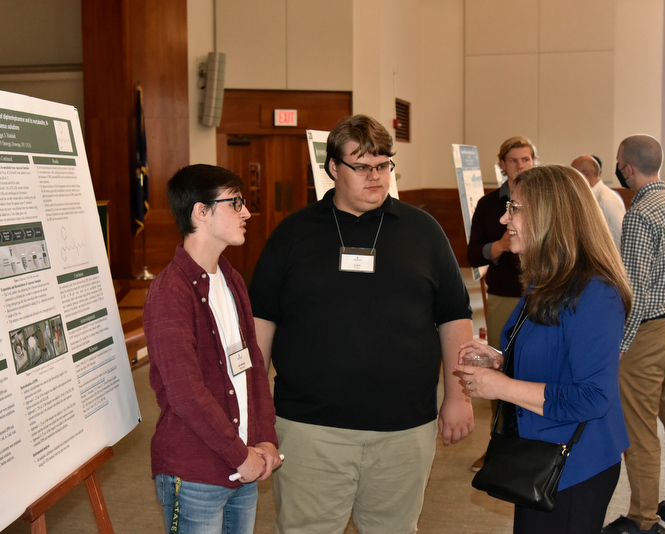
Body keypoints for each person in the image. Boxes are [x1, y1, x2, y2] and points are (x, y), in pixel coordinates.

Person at [249, 114, 474, 533]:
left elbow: (453, 316)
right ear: (333, 168)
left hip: (404, 427)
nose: (376, 176)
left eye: (384, 164)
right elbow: (261, 323)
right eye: (362, 165)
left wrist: (458, 397)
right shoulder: (293, 235)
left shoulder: (423, 231)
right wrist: (255, 410)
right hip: (310, 427)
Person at [457, 164, 632, 534]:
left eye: (515, 208)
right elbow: (556, 357)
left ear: (550, 215)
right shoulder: (546, 278)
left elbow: (593, 396)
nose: (505, 218)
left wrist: (501, 387)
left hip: (574, 462)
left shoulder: (595, 292)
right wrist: (502, 361)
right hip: (538, 450)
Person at [143, 164, 282, 534]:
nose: (246, 212)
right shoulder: (170, 292)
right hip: (196, 474)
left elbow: (252, 366)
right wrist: (241, 455)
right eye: (235, 203)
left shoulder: (232, 278)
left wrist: (264, 436)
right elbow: (185, 393)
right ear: (200, 212)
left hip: (242, 465)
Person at [602, 135, 665, 534]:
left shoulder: (640, 214)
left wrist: (620, 345)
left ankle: (642, 518)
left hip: (651, 331)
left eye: (618, 163)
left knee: (639, 429)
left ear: (626, 167)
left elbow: (636, 291)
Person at [466, 135, 536, 471]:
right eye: (513, 160)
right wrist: (500, 246)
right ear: (502, 165)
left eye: (525, 160)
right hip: (504, 298)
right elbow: (472, 253)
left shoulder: (544, 199)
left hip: (543, 298)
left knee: (536, 370)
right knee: (500, 370)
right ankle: (497, 444)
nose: (520, 166)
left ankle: (532, 444)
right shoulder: (489, 205)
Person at [571, 154, 626, 251]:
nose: (571, 179)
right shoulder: (589, 196)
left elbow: (620, 238)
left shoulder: (607, 199)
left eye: (573, 174)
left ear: (586, 174)